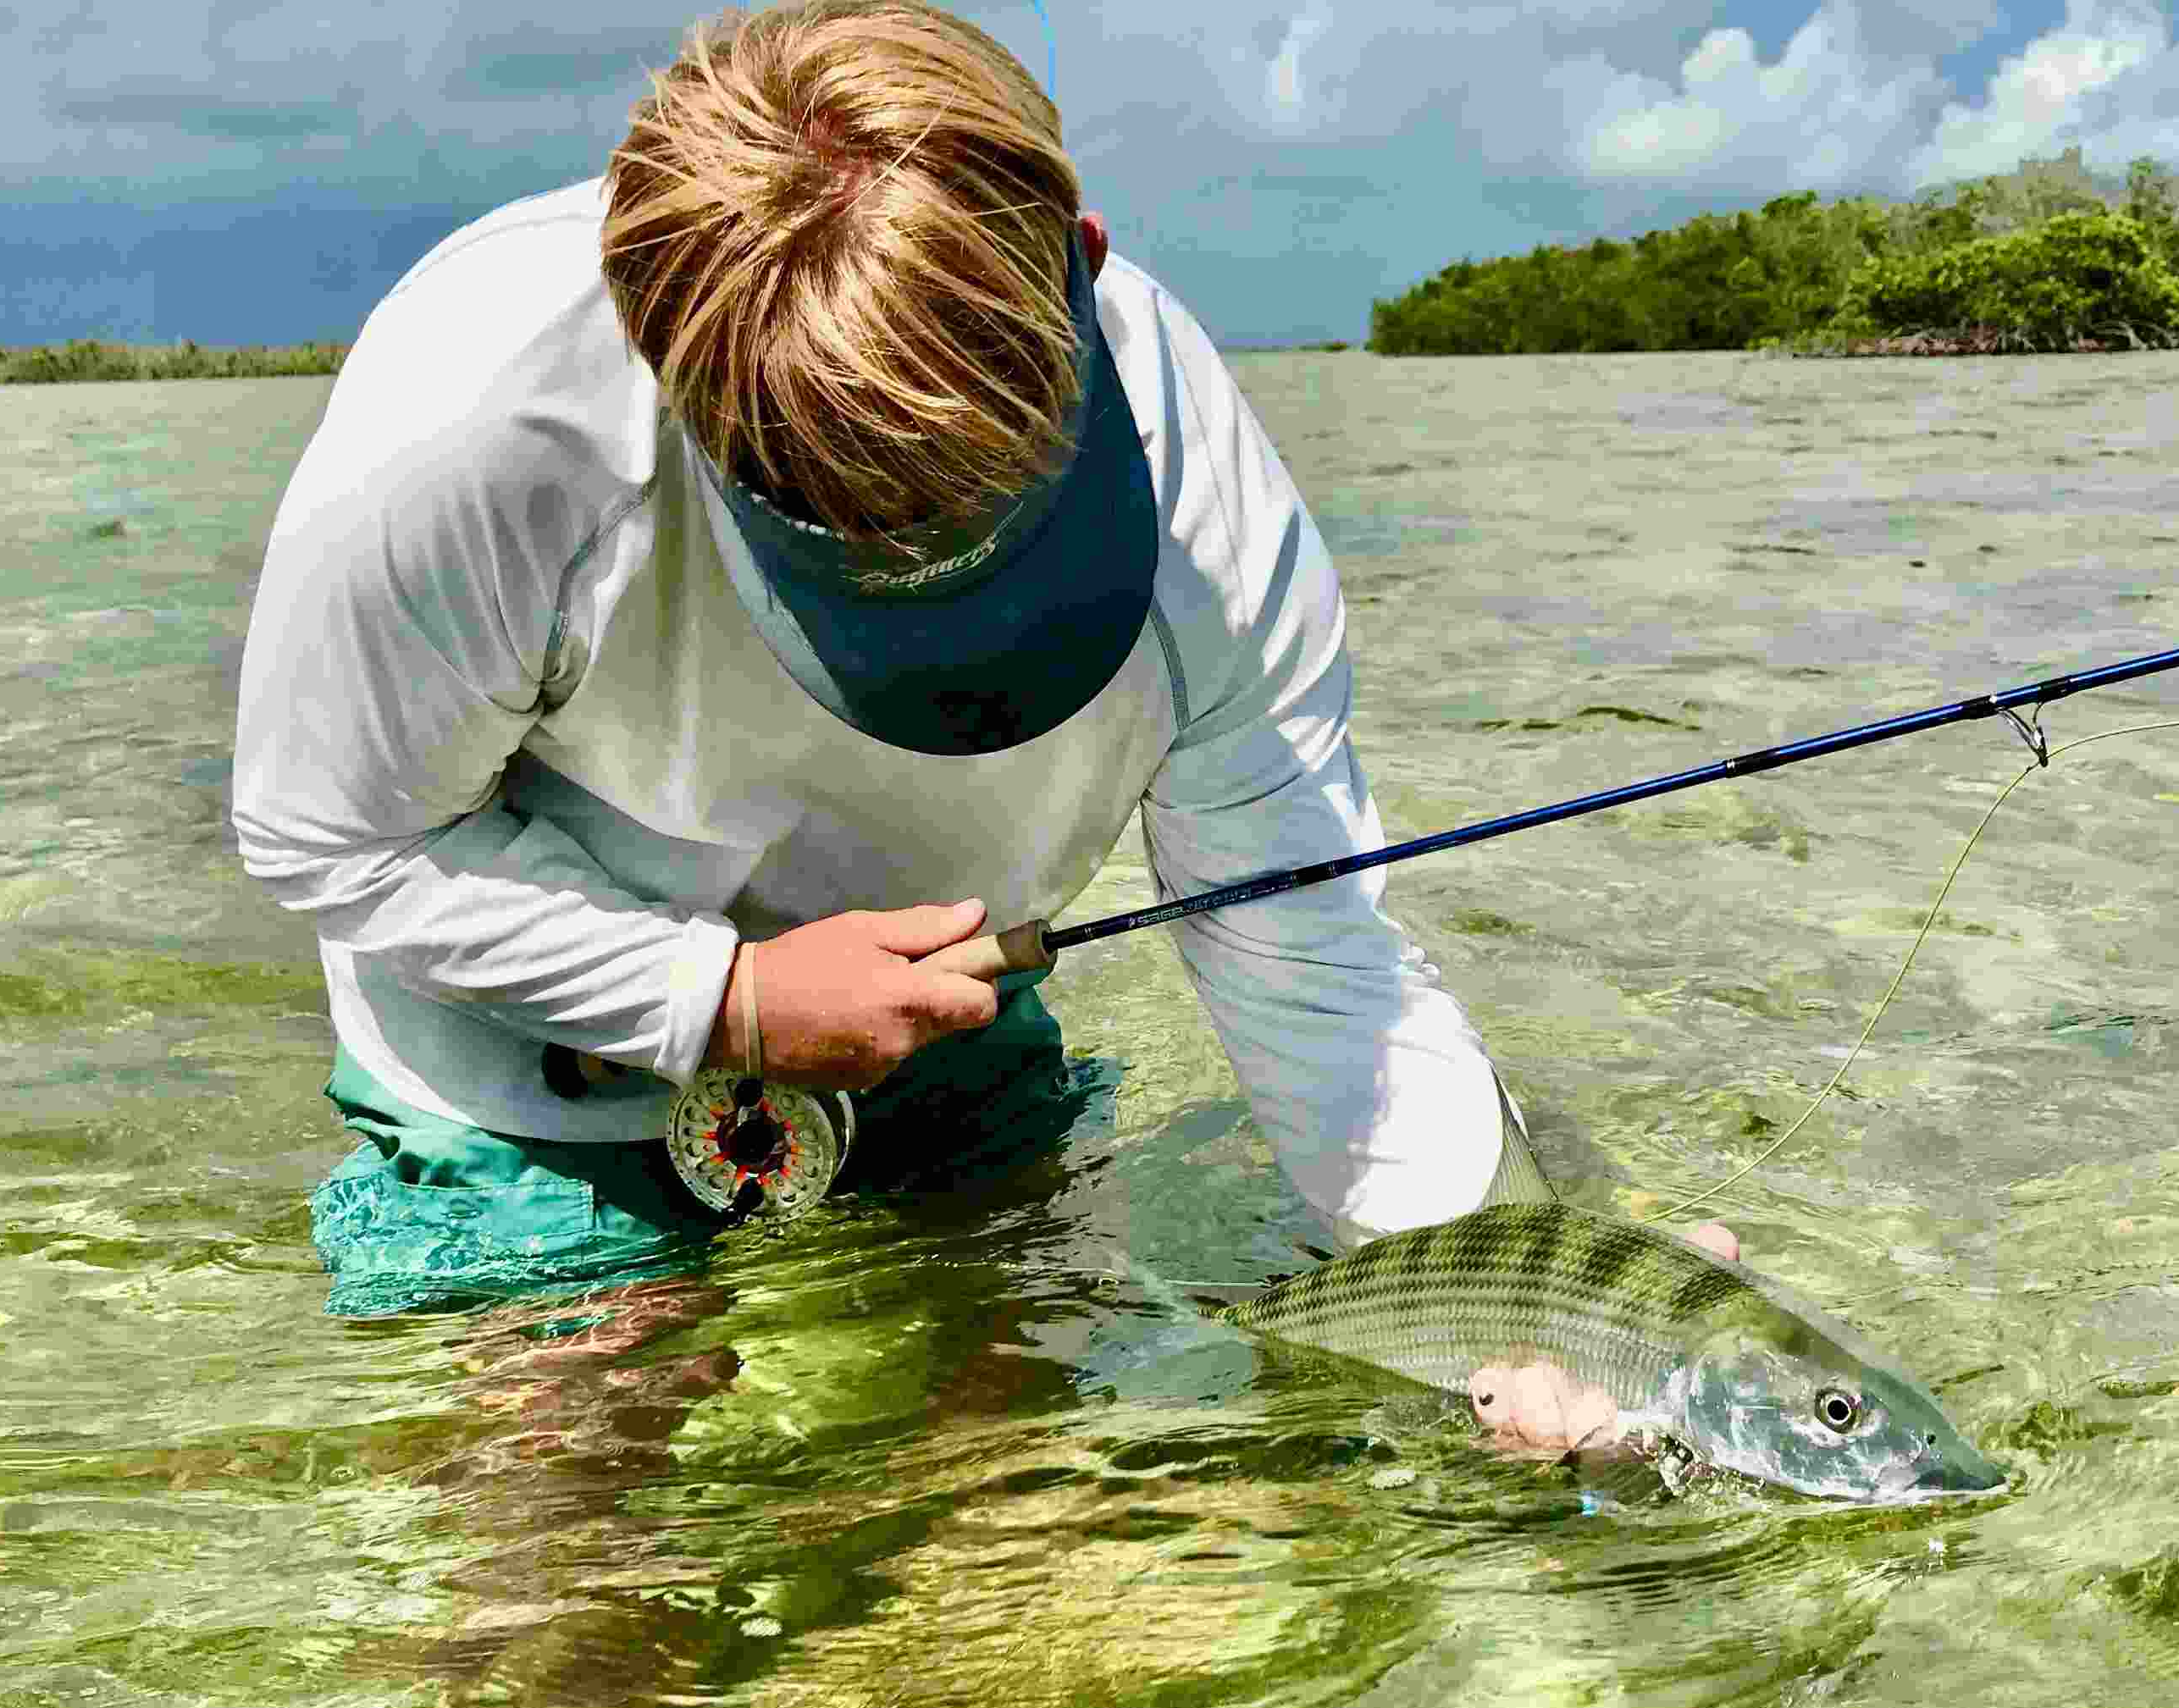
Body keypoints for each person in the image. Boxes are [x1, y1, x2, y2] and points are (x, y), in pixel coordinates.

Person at [229, 0, 1717, 1456]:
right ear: (668, 382)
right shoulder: (467, 429)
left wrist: (1532, 1317)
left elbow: (1308, 948)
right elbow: (333, 836)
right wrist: (721, 997)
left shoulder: (1207, 498)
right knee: (562, 1555)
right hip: (527, 1055)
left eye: (1006, 531)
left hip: (949, 1022)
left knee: (1008, 1504)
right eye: (852, 555)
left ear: (1085, 264)